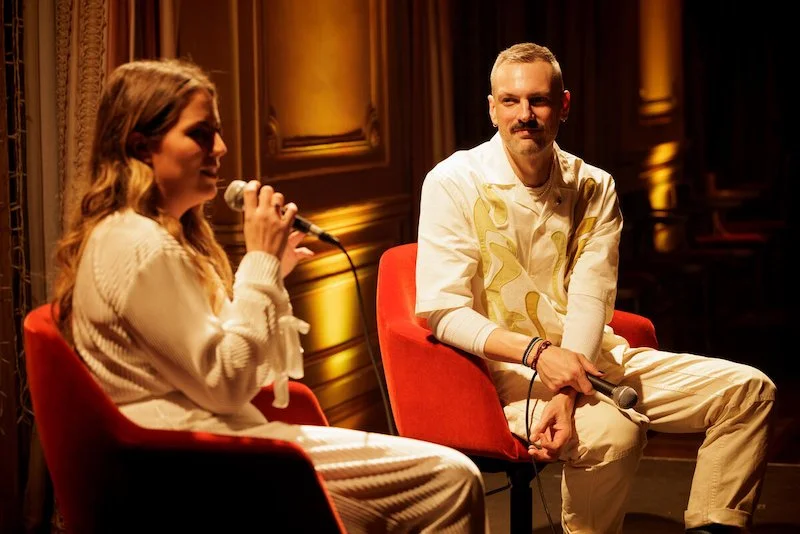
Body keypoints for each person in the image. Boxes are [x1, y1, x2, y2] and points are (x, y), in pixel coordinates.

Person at [52, 57, 487, 533]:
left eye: (216, 131)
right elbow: (228, 380)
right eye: (199, 133)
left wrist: (272, 273)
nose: (219, 147)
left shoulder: (158, 236)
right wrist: (258, 265)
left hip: (217, 439)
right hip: (190, 461)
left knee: (425, 486)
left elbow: (258, 369)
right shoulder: (138, 245)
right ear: (141, 145)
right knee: (451, 479)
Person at [415, 42, 775, 534]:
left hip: (594, 359)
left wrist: (566, 386)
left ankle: (714, 527)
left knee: (750, 391)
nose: (525, 115)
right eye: (511, 101)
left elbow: (590, 297)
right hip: (510, 371)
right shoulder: (453, 181)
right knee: (614, 435)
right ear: (492, 108)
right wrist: (541, 355)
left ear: (563, 104)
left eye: (538, 100)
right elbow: (443, 311)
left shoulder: (594, 185)